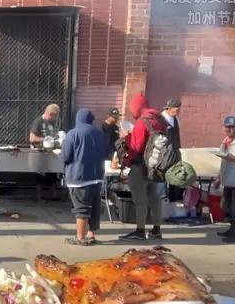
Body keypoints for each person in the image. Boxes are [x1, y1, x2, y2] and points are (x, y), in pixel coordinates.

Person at [119, 92, 166, 241]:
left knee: (140, 200)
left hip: (140, 165)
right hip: (156, 165)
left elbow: (136, 147)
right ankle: (156, 230)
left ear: (137, 107)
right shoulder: (159, 120)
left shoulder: (142, 122)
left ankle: (140, 231)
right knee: (154, 196)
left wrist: (127, 137)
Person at [62, 109, 108, 246]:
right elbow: (106, 153)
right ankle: (91, 234)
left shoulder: (73, 133)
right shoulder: (99, 134)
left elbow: (66, 156)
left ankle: (80, 237)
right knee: (94, 206)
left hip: (79, 177)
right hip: (97, 176)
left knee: (81, 208)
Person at [214, 116, 235, 244]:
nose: (228, 129)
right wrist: (219, 178)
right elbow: (224, 162)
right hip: (229, 180)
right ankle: (233, 229)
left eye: (231, 127)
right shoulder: (225, 141)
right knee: (225, 207)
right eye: (226, 127)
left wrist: (234, 159)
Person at [29, 104, 62, 201]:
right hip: (40, 151)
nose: (55, 119)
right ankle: (40, 195)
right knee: (40, 172)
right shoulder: (38, 122)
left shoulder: (55, 122)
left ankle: (53, 194)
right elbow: (32, 138)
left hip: (51, 150)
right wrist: (45, 139)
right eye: (54, 116)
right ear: (50, 114)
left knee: (53, 172)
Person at [162, 99, 183, 202]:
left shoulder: (176, 119)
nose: (178, 112)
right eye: (177, 110)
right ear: (169, 108)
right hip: (164, 154)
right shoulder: (161, 119)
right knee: (163, 178)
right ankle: (163, 200)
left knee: (175, 177)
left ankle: (174, 200)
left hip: (175, 152)